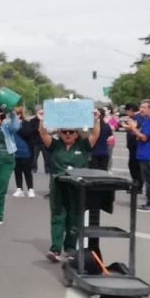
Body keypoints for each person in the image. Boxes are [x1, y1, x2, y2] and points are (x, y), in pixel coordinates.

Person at [38, 108, 102, 262]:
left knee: (74, 217)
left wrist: (96, 120)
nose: (67, 134)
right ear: (60, 133)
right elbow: (43, 134)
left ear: (77, 134)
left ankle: (70, 249)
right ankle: (55, 249)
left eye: (71, 132)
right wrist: (41, 120)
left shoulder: (83, 146)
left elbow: (95, 135)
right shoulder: (55, 145)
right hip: (58, 185)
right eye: (65, 131)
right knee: (58, 216)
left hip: (77, 186)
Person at [120, 99, 150, 211]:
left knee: (149, 180)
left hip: (149, 154)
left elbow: (144, 137)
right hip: (145, 153)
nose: (141, 110)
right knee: (148, 179)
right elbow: (140, 135)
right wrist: (132, 129)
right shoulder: (148, 120)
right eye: (141, 107)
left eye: (144, 108)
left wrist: (133, 128)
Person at [12, 105, 36, 197]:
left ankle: (30, 189)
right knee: (17, 171)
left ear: (20, 114)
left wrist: (17, 126)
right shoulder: (11, 124)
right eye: (14, 114)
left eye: (17, 114)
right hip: (15, 152)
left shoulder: (26, 123)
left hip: (25, 151)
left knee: (27, 171)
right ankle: (19, 189)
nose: (16, 116)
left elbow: (28, 134)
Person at [89, 106, 113, 173]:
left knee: (93, 174)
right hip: (104, 152)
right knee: (103, 174)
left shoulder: (91, 127)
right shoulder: (106, 126)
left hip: (93, 153)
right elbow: (110, 137)